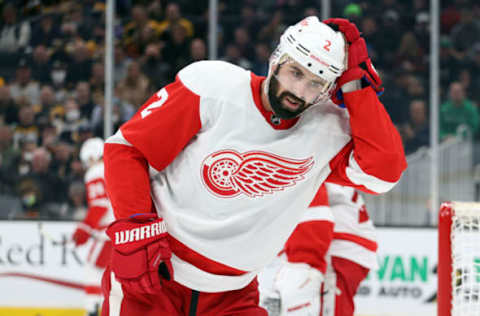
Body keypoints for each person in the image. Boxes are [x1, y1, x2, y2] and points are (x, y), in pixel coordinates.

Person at [101, 17, 406, 315]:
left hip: (233, 295)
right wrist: (135, 225)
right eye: (295, 73)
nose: (298, 93)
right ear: (276, 60)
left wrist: (357, 87)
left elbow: (383, 173)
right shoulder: (213, 87)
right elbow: (127, 149)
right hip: (157, 275)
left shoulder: (326, 129)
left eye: (316, 83)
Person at [259, 182, 377, 316]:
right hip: (344, 243)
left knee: (302, 296)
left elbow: (311, 206)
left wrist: (305, 268)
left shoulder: (294, 166)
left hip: (334, 246)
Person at [71, 137, 114, 316]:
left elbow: (100, 206)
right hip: (121, 230)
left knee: (92, 272)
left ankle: (93, 310)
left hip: (106, 233)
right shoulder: (113, 167)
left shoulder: (96, 172)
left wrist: (85, 229)